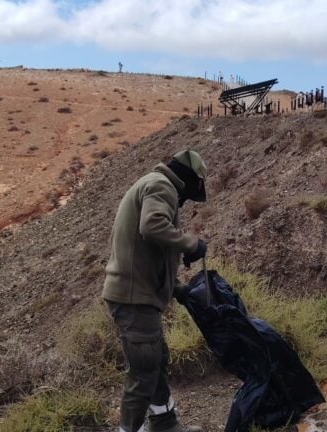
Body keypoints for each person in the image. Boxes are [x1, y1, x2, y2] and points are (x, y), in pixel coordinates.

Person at [102, 150, 208, 432]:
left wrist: (178, 289)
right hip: (133, 300)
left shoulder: (153, 183)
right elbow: (151, 227)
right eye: (189, 195)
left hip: (136, 296)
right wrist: (190, 243)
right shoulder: (162, 185)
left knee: (156, 361)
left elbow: (148, 256)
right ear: (187, 179)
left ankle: (164, 423)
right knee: (143, 373)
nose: (184, 202)